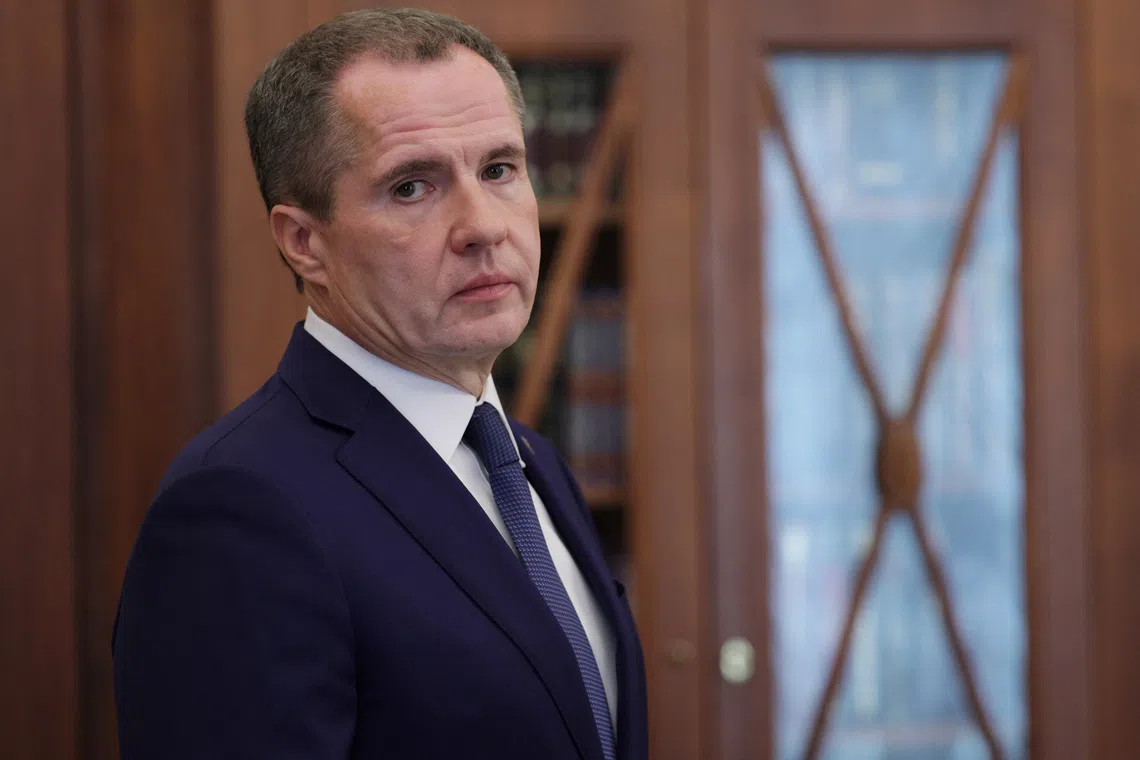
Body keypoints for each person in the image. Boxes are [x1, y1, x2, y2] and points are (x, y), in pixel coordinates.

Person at [111, 8, 648, 760]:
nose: (483, 226)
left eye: (499, 170)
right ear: (304, 242)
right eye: (412, 187)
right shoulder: (238, 506)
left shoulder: (530, 461)